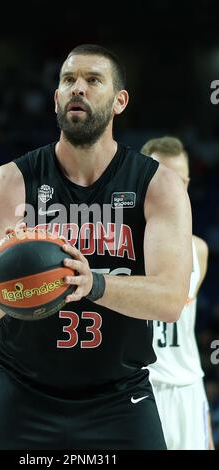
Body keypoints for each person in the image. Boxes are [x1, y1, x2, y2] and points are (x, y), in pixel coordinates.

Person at [0, 44, 192, 450]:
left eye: (92, 80)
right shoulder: (12, 181)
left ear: (120, 101)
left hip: (120, 397)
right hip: (20, 393)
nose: (77, 89)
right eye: (68, 80)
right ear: (55, 98)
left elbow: (171, 299)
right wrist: (20, 282)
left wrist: (90, 284)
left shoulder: (157, 185)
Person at [141, 136, 214, 450]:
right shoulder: (118, 248)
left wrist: (205, 426)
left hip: (187, 387)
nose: (171, 189)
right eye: (162, 178)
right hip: (137, 388)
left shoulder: (199, 250)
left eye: (178, 180)